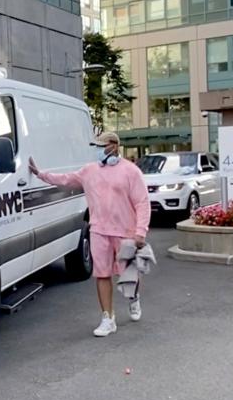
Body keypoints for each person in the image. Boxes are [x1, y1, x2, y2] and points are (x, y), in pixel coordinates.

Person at [28, 131, 150, 338]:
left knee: (128, 274)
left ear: (114, 146)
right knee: (102, 274)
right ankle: (107, 318)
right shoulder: (89, 171)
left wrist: (140, 231)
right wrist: (40, 174)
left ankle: (134, 298)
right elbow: (65, 180)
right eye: (96, 146)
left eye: (102, 146)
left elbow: (142, 202)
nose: (98, 150)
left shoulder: (131, 171)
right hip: (99, 231)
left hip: (125, 233)